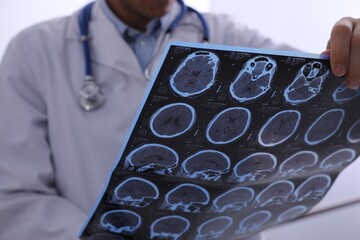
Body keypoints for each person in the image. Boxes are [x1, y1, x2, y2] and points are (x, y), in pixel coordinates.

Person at [0, 0, 359, 239]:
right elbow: (15, 195)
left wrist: (352, 55)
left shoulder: (231, 35)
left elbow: (327, 100)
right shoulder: (35, 51)